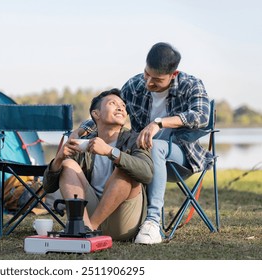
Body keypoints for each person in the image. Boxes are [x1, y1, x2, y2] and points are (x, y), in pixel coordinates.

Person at [74, 42, 213, 244]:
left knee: (153, 146)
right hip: (143, 160)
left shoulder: (191, 84)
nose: (148, 82)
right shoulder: (135, 85)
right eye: (146, 74)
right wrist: (80, 131)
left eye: (156, 80)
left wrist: (159, 123)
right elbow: (111, 109)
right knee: (134, 157)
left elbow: (202, 116)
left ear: (173, 75)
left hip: (180, 157)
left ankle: (152, 222)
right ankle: (120, 218)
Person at [43, 88, 154, 241]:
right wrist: (59, 159)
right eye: (112, 103)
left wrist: (110, 152)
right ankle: (82, 226)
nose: (121, 107)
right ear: (96, 114)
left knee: (125, 169)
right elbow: (49, 187)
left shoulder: (134, 139)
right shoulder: (84, 144)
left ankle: (89, 230)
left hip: (123, 221)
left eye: (122, 105)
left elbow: (147, 174)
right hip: (90, 210)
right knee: (68, 164)